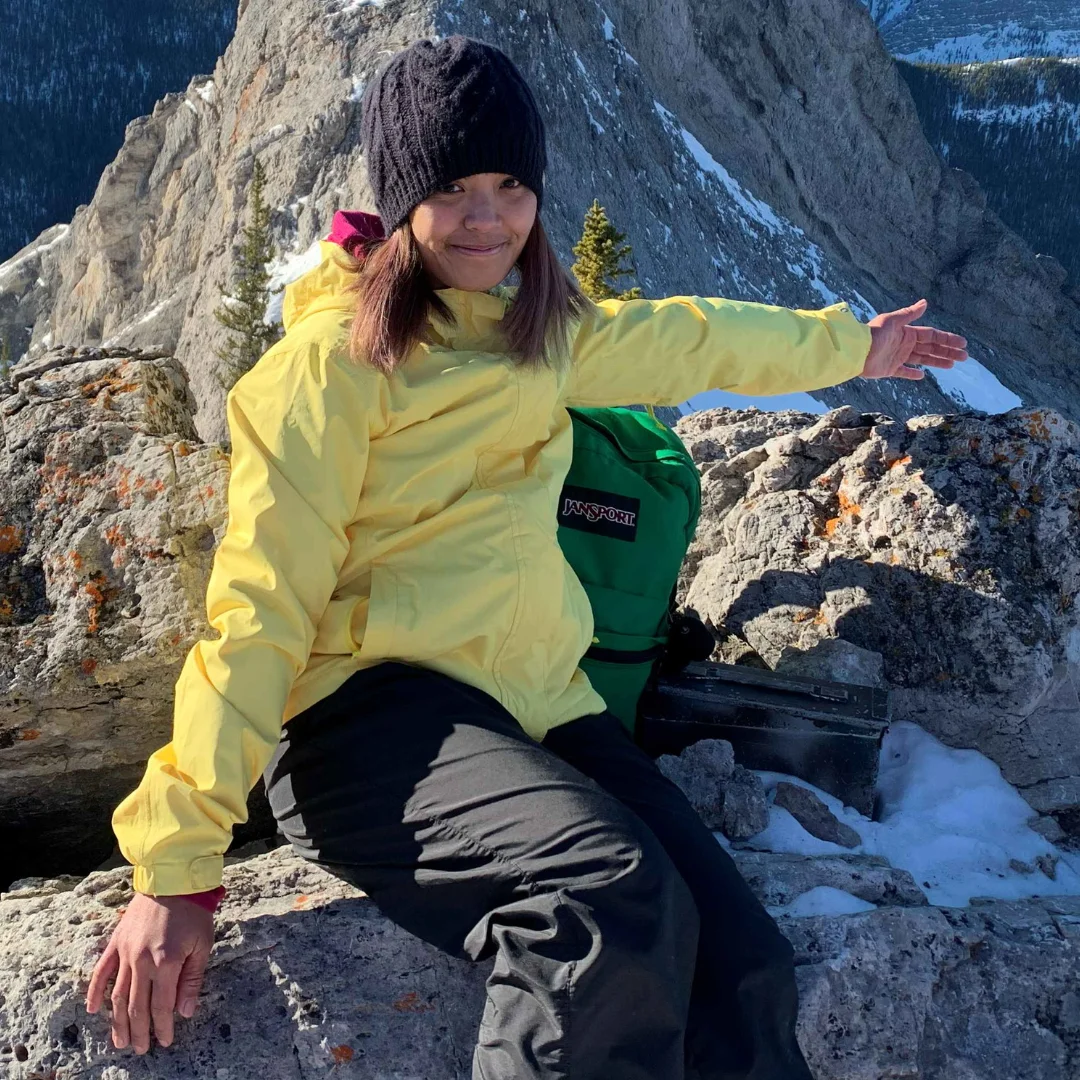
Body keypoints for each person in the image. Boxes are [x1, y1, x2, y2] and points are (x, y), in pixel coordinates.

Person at [85, 35, 967, 1079]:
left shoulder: (535, 335)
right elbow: (258, 610)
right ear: (401, 200)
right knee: (601, 902)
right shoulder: (326, 371)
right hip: (364, 723)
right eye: (453, 189)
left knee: (743, 968)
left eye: (511, 186)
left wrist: (857, 347)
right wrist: (177, 868)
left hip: (535, 706)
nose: (488, 218)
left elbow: (690, 338)